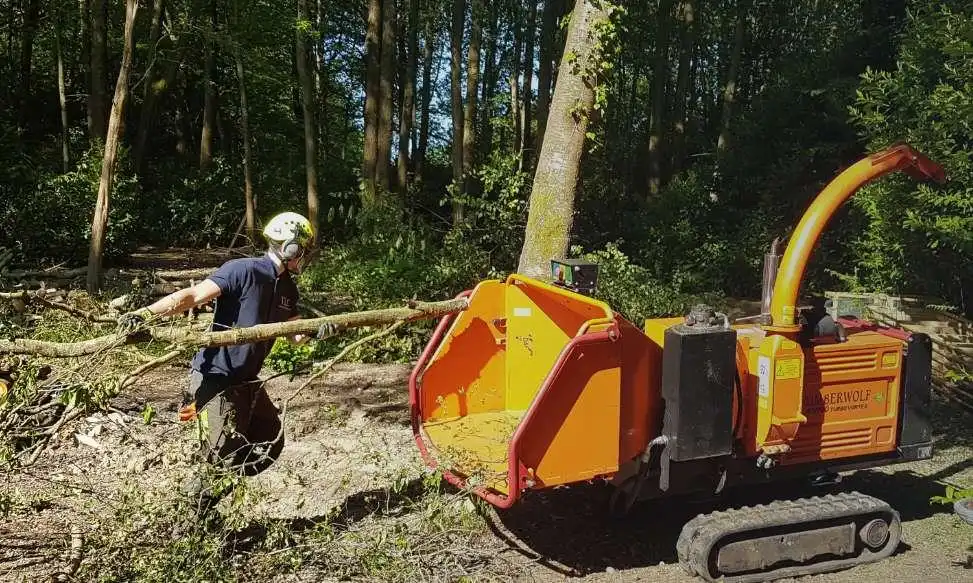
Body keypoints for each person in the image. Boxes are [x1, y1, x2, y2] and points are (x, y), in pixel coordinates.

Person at [116, 212, 336, 509]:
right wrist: (146, 314)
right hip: (216, 376)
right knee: (224, 455)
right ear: (290, 247)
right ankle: (192, 518)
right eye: (303, 250)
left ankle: (212, 488)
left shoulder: (287, 288)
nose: (305, 258)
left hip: (247, 380)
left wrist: (316, 332)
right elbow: (193, 295)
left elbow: (295, 336)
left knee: (270, 439)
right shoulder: (242, 270)